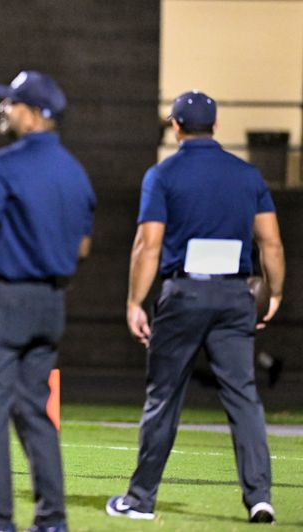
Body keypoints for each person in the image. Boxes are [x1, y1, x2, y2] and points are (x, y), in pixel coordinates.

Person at [106, 90, 285, 524]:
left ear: (177, 126)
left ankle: (141, 499)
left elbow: (148, 246)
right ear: (217, 127)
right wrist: (275, 293)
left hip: (183, 293)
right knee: (244, 398)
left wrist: (134, 301)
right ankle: (260, 497)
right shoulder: (248, 175)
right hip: (233, 295)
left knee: (165, 397)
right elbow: (271, 243)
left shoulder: (163, 175)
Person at [0, 70, 95, 532]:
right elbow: (83, 248)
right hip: (50, 303)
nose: (2, 109)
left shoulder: (2, 164)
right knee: (35, 410)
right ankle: (52, 519)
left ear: (31, 115)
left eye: (9, 103)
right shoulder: (75, 171)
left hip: (2, 300)